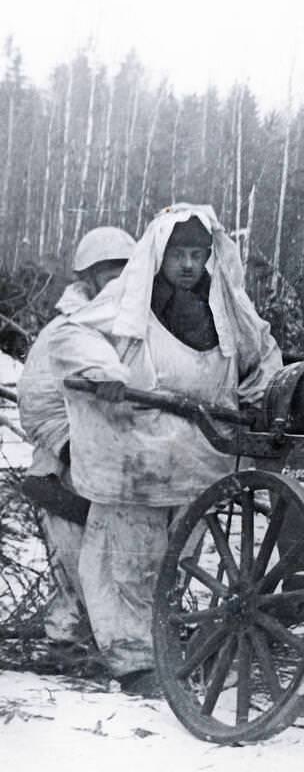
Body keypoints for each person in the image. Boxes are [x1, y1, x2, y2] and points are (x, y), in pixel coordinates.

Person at [49, 204, 283, 696]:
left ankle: (165, 647)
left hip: (203, 454)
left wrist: (261, 396)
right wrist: (106, 373)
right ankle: (134, 664)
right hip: (137, 454)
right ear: (159, 254)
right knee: (127, 560)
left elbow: (261, 354)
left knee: (176, 562)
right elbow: (73, 334)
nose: (188, 265)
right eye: (178, 254)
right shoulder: (128, 298)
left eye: (198, 255)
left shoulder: (226, 306)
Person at [17, 226, 136, 648]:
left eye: (127, 271)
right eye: (109, 273)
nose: (119, 282)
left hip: (121, 471)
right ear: (88, 279)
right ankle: (64, 643)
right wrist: (71, 448)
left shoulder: (134, 330)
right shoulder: (61, 333)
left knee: (113, 567)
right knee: (74, 565)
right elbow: (35, 402)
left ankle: (104, 639)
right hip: (63, 471)